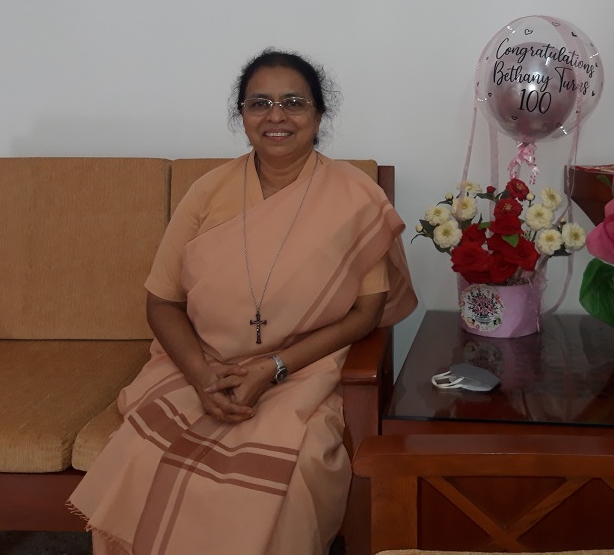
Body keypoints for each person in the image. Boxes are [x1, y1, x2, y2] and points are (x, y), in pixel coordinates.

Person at [69, 49, 417, 555]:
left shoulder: (356, 197)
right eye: (260, 103)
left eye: (293, 102)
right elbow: (162, 302)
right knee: (146, 457)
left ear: (319, 115)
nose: (276, 116)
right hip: (200, 365)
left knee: (292, 475)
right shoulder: (207, 192)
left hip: (305, 372)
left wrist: (273, 367)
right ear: (242, 116)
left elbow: (366, 314)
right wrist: (203, 377)